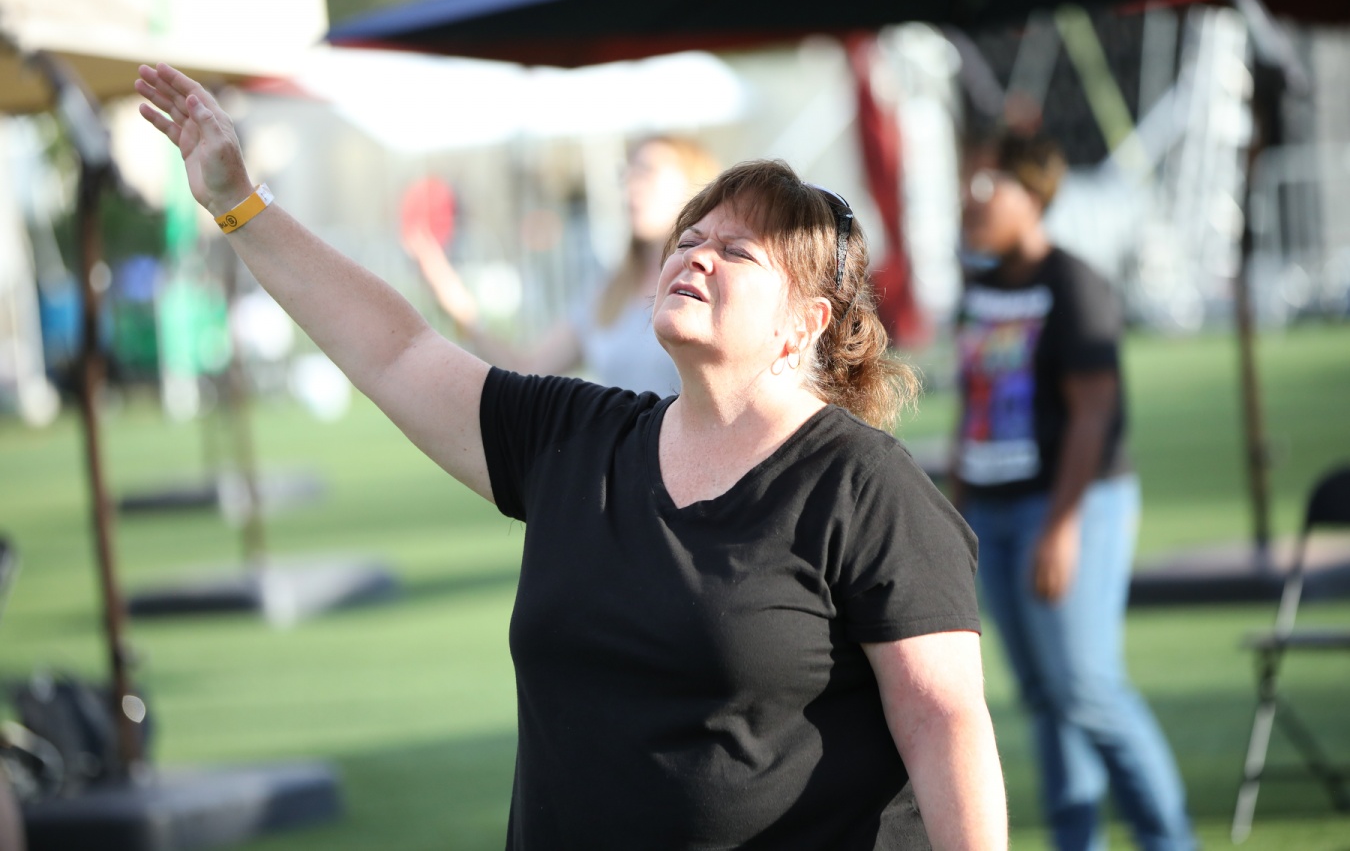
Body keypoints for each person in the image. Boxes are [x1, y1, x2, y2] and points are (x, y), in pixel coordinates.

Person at [137, 62, 1007, 850]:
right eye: (690, 238)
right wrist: (240, 204)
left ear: (803, 325)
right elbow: (397, 352)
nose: (695, 255)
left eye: (736, 250)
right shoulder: (576, 439)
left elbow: (945, 726)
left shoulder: (867, 487)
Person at [952, 132, 1193, 851]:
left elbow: (1094, 413)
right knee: (1046, 697)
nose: (970, 201)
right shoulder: (981, 286)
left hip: (1066, 505)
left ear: (1032, 195)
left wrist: (1062, 527)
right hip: (992, 509)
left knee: (1088, 689)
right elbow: (975, 405)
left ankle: (1169, 839)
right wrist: (955, 514)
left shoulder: (1074, 284)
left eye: (987, 187)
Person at [403, 136, 719, 395]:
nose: (631, 187)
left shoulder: (712, 283)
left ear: (695, 186)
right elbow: (527, 370)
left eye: (647, 172)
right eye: (627, 174)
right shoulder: (609, 290)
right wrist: (455, 302)